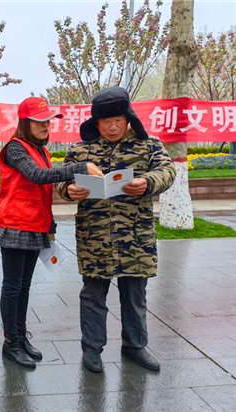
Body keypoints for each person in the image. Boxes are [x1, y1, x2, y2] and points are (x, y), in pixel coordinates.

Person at [56, 87, 176, 373]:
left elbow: (168, 171)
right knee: (92, 295)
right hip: (94, 236)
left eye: (118, 120)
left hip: (135, 236)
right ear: (96, 123)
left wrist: (148, 182)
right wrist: (68, 190)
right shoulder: (81, 150)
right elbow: (60, 179)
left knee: (135, 295)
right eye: (106, 121)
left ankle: (135, 346)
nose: (112, 127)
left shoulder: (148, 145)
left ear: (128, 119)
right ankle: (92, 348)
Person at [0, 97, 104, 369]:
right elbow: (38, 176)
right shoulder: (15, 148)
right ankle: (10, 342)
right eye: (39, 121)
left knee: (24, 286)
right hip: (16, 224)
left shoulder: (40, 149)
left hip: (35, 224)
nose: (46, 126)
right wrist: (81, 167)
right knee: (12, 287)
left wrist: (50, 225)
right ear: (25, 122)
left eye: (48, 121)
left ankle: (20, 336)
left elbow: (43, 191)